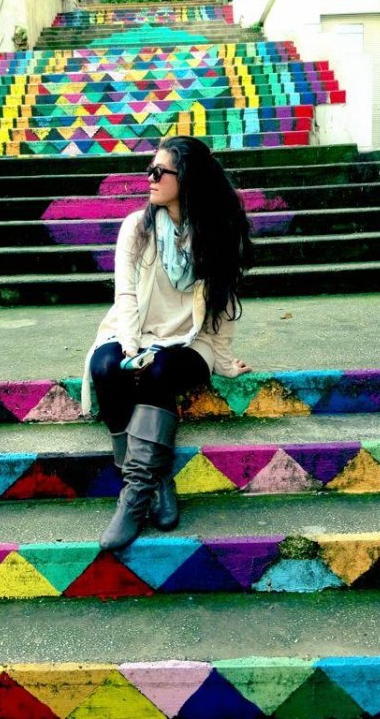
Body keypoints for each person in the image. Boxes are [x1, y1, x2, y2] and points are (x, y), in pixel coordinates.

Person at [81, 135, 254, 551]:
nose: (151, 178)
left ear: (187, 179)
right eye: (149, 170)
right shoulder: (136, 229)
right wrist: (128, 346)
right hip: (134, 333)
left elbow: (223, 304)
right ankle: (154, 480)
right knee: (105, 368)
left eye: (161, 172)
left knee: (158, 372)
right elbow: (124, 296)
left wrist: (226, 361)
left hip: (192, 343)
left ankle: (133, 497)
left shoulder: (216, 233)